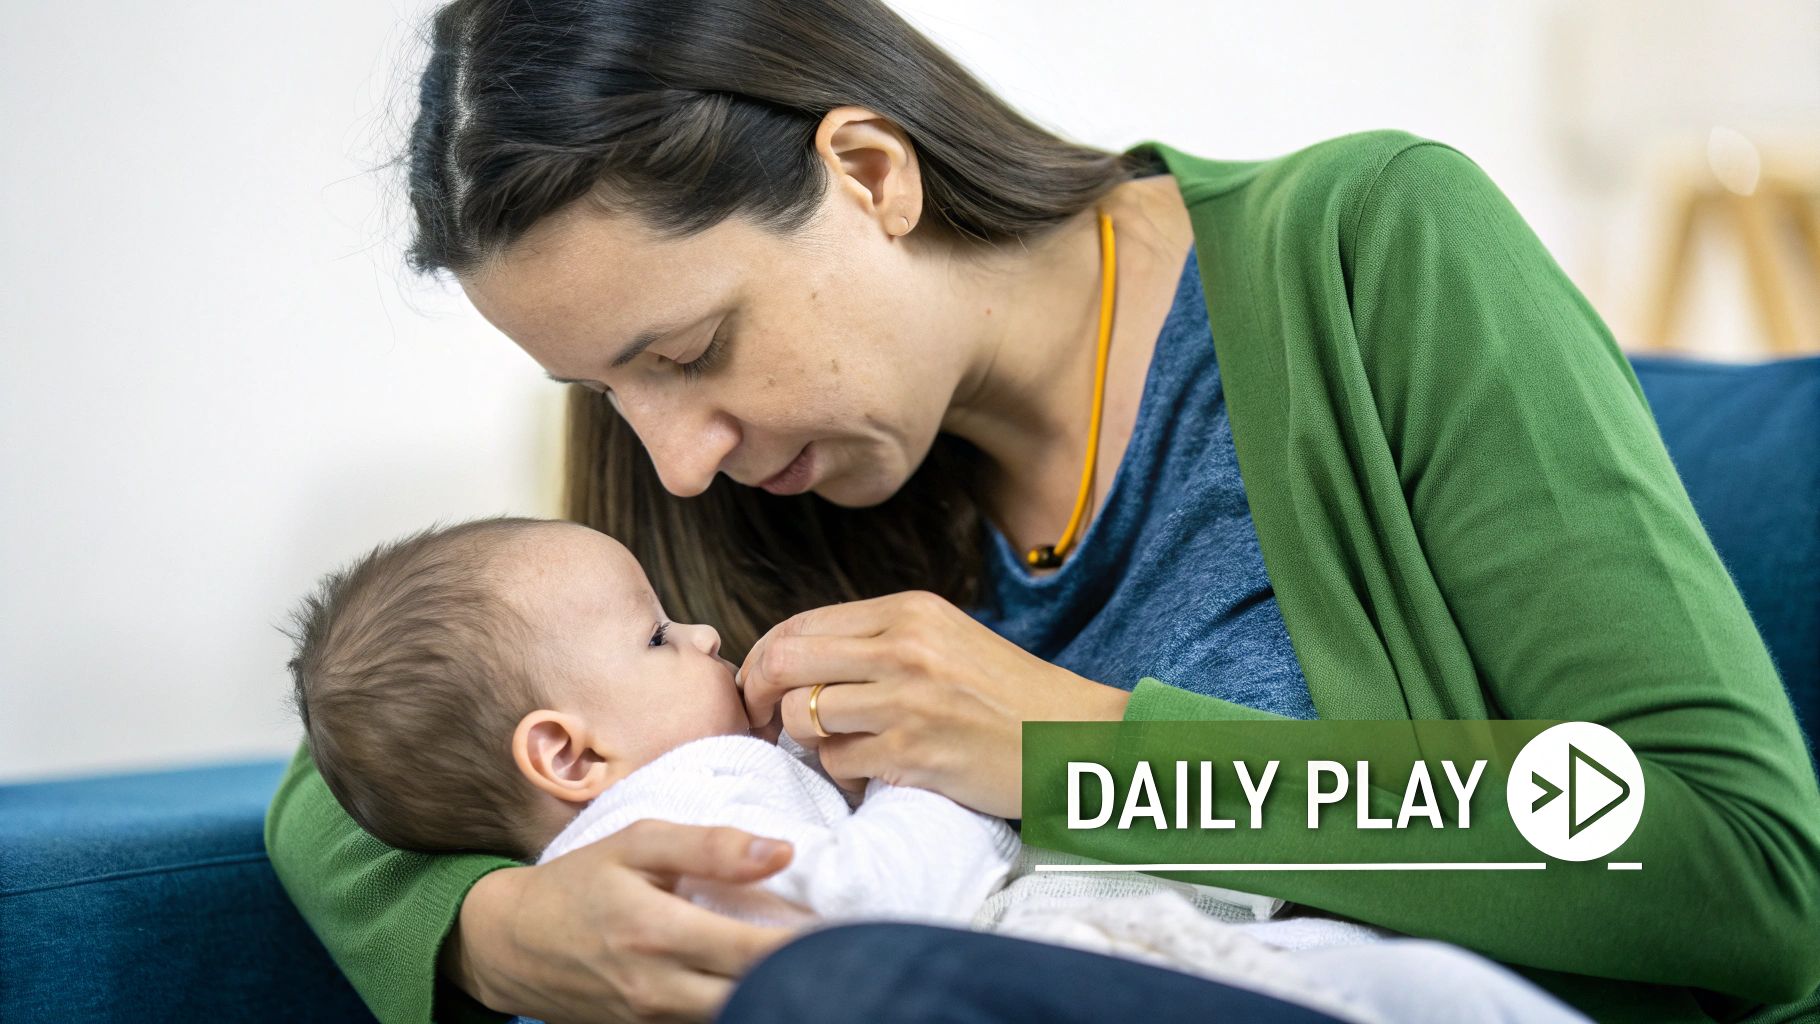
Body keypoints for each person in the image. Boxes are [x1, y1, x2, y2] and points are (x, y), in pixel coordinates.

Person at [264, 0, 1820, 1022]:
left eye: (688, 353)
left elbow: (1735, 870)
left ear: (869, 171)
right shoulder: (730, 460)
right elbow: (366, 752)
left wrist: (1085, 760)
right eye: (614, 391)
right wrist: (496, 938)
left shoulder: (1372, 247)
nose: (672, 460)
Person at [278, 514, 1593, 1024]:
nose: (709, 635)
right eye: (660, 634)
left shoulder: (674, 767)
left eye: (697, 347)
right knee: (1422, 991)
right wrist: (934, 770)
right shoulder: (686, 798)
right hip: (1055, 956)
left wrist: (1041, 741)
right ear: (566, 750)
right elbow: (851, 933)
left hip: (1097, 944)